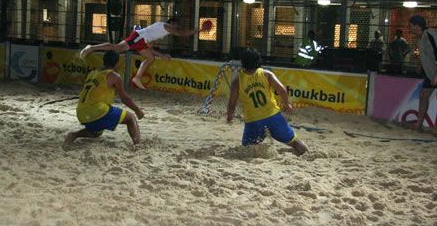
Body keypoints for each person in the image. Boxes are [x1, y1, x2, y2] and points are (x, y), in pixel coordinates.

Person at [79, 17, 210, 90]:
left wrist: (161, 55)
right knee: (117, 48)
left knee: (150, 58)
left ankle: (137, 77)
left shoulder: (160, 32)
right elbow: (182, 33)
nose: (176, 28)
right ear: (171, 23)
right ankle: (91, 48)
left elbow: (149, 47)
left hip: (142, 40)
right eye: (176, 25)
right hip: (139, 37)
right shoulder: (165, 26)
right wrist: (200, 30)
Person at [227, 48, 309, 156]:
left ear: (243, 62)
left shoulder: (237, 80)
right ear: (258, 60)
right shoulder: (266, 74)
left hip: (253, 121)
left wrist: (229, 117)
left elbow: (232, 103)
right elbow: (282, 90)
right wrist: (287, 105)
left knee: (247, 149)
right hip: (273, 117)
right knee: (294, 142)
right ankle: (310, 155)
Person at [66, 50, 145, 145]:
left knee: (97, 132)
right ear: (117, 63)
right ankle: (138, 145)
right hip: (97, 111)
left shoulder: (93, 73)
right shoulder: (115, 76)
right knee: (130, 118)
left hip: (81, 112)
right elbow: (124, 98)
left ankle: (73, 135)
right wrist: (137, 110)